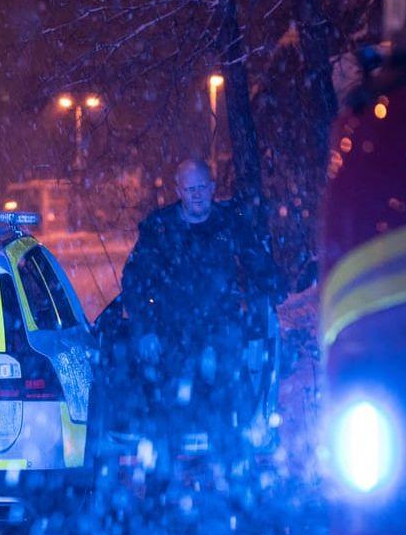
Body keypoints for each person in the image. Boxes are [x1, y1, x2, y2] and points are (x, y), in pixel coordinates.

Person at [118, 158, 285, 452]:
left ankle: (229, 462)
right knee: (169, 397)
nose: (196, 194)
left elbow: (257, 262)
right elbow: (135, 280)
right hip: (173, 328)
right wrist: (145, 329)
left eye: (201, 188)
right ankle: (164, 472)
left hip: (220, 324)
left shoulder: (229, 222)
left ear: (212, 188)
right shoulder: (160, 229)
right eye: (189, 188)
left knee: (228, 383)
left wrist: (278, 289)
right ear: (178, 190)